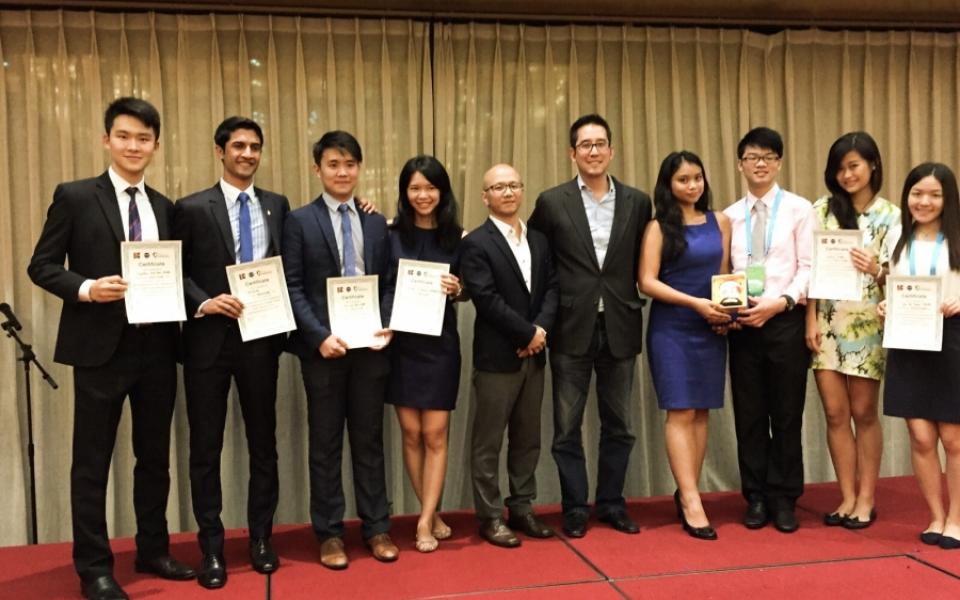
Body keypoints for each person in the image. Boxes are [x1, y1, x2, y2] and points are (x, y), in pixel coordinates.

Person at [27, 97, 194, 600]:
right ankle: (94, 568)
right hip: (100, 349)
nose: (134, 146)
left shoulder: (165, 207)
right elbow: (42, 265)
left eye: (144, 139)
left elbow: (179, 276)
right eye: (124, 136)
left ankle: (153, 549)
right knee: (92, 462)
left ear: (156, 146)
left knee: (155, 458)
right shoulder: (76, 196)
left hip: (158, 347)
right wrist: (87, 288)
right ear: (107, 139)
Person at [173, 116, 290, 588]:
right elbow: (172, 270)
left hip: (261, 342)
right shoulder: (191, 207)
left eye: (255, 146)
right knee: (205, 450)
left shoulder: (278, 206)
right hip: (207, 345)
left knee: (265, 445)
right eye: (238, 145)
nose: (247, 153)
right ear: (220, 151)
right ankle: (212, 549)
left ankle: (261, 538)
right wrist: (202, 301)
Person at [529, 114, 652, 538]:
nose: (594, 151)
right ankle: (575, 508)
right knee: (567, 427)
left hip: (621, 322)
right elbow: (534, 257)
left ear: (612, 151)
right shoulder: (551, 201)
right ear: (572, 153)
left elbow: (647, 258)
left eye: (601, 144)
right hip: (570, 326)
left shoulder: (638, 202)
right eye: (585, 145)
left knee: (620, 425)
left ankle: (612, 503)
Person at [282, 130, 397, 570]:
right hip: (324, 352)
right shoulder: (299, 221)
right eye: (333, 164)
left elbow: (387, 280)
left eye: (350, 164)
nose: (342, 172)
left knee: (369, 442)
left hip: (370, 351)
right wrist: (317, 336)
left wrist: (386, 321)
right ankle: (329, 534)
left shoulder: (374, 220)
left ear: (359, 168)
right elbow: (292, 286)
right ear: (318, 169)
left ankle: (377, 528)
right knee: (325, 444)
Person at [804, 132, 899, 530]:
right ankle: (845, 496)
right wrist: (809, 318)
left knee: (864, 412)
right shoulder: (821, 210)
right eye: (840, 168)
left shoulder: (891, 215)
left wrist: (875, 269)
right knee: (835, 412)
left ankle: (866, 498)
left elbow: (903, 281)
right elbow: (808, 267)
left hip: (868, 323)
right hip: (825, 322)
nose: (847, 175)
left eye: (854, 166)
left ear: (873, 165)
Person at [461, 164, 559, 548]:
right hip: (497, 357)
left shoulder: (538, 240)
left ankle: (522, 507)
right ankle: (489, 516)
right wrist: (527, 332)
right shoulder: (476, 243)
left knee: (527, 438)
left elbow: (553, 287)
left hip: (534, 355)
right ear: (485, 196)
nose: (507, 192)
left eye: (514, 185)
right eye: (498, 187)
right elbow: (485, 299)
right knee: (488, 442)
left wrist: (541, 332)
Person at [723, 126, 814, 533]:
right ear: (740, 163)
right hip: (743, 324)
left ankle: (785, 498)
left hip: (785, 320)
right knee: (750, 415)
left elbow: (810, 267)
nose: (759, 164)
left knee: (787, 412)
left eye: (768, 157)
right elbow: (724, 270)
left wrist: (780, 303)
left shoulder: (799, 209)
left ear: (778, 163)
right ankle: (756, 496)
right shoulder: (729, 216)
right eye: (751, 157)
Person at [638, 151, 732, 540]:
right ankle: (693, 500)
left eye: (697, 178)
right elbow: (647, 281)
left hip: (712, 326)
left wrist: (728, 313)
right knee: (680, 410)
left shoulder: (721, 221)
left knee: (702, 413)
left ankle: (687, 489)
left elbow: (725, 275)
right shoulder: (659, 227)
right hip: (672, 327)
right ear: (668, 185)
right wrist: (695, 304)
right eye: (683, 180)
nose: (692, 186)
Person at [383, 155, 465, 553]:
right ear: (405, 193)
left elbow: (470, 289)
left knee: (435, 434)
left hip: (440, 346)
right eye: (414, 188)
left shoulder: (458, 237)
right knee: (411, 433)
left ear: (442, 192)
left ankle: (423, 522)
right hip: (401, 346)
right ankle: (430, 512)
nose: (423, 195)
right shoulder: (390, 234)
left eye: (430, 187)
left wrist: (458, 289)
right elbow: (381, 285)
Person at [879, 162, 960, 550]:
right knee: (921, 435)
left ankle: (956, 520)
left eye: (934, 194)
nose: (924, 202)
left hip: (953, 339)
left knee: (954, 438)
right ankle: (935, 515)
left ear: (948, 199)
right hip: (908, 338)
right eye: (917, 193)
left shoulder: (958, 237)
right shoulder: (897, 235)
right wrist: (885, 305)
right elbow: (897, 286)